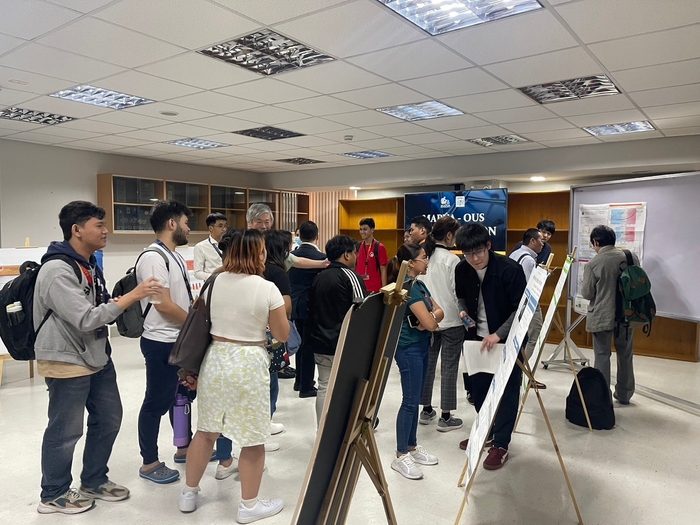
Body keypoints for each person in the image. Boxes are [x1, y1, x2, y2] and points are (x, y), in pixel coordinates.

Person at [35, 201, 161, 514]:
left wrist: (116, 303)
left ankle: (93, 480)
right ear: (76, 230)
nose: (106, 231)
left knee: (109, 418)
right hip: (67, 360)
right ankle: (53, 494)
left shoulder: (87, 264)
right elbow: (86, 318)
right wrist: (134, 295)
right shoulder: (57, 270)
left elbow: (96, 309)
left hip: (96, 356)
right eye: (99, 226)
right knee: (65, 430)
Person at [178, 229, 289, 523]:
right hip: (249, 362)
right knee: (252, 438)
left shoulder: (213, 283)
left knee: (206, 432)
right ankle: (249, 506)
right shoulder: (267, 289)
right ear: (259, 253)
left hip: (215, 358)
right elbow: (282, 334)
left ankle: (189, 493)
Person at [455, 223, 527, 470]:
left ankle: (501, 444)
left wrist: (498, 334)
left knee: (507, 391)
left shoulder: (510, 269)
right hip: (477, 339)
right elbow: (461, 295)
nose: (474, 259)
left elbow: (521, 310)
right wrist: (462, 310)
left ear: (488, 246)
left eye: (478, 252)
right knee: (480, 389)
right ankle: (486, 430)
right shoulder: (462, 269)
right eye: (468, 254)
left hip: (507, 340)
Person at [136, 200, 197, 484]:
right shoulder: (153, 257)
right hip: (161, 341)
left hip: (178, 339)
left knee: (181, 397)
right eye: (185, 222)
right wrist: (195, 327)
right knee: (156, 402)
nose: (188, 228)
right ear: (172, 224)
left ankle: (184, 448)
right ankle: (149, 462)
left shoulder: (174, 256)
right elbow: (163, 305)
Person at [246, 204, 327, 382]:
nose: (264, 225)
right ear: (249, 223)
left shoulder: (271, 248)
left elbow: (295, 260)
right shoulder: (243, 242)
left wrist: (323, 264)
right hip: (247, 315)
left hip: (267, 317)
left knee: (269, 372)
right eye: (259, 221)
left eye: (267, 221)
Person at [387, 243, 444, 480]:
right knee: (410, 401)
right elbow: (431, 323)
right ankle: (401, 454)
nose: (427, 262)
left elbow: (440, 312)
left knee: (416, 398)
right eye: (423, 258)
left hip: (421, 345)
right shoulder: (406, 288)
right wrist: (429, 319)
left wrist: (429, 318)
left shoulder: (419, 284)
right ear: (410, 263)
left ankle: (411, 446)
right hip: (408, 348)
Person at [307, 235, 368, 425]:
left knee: (324, 386)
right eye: (355, 253)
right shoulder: (351, 276)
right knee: (349, 388)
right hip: (345, 344)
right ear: (346, 255)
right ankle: (346, 430)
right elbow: (362, 311)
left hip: (320, 342)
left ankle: (322, 432)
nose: (356, 257)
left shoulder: (319, 277)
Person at [581, 225, 639, 405]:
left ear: (596, 242)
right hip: (627, 314)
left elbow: (587, 293)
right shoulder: (630, 257)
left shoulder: (594, 263)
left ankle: (602, 396)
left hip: (602, 315)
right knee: (625, 354)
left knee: (602, 355)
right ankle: (625, 394)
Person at [418, 216, 464, 432]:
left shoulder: (424, 257)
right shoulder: (452, 260)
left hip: (429, 320)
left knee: (428, 365)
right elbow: (457, 293)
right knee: (449, 368)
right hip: (452, 321)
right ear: (449, 235)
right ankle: (446, 416)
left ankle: (426, 410)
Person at [289, 221, 326, 398]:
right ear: (317, 236)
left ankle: (299, 381)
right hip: (311, 305)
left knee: (299, 343)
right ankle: (306, 386)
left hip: (294, 304)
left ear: (300, 235)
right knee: (309, 346)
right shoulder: (322, 258)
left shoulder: (291, 256)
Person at [263, 229, 294, 438]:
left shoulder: (254, 271)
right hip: (270, 333)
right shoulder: (278, 273)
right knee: (271, 380)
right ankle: (266, 424)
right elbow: (286, 306)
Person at [509, 228, 547, 389]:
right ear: (532, 241)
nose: (543, 244)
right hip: (527, 306)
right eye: (541, 241)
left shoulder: (515, 254)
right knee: (533, 338)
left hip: (514, 306)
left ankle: (517, 372)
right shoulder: (528, 260)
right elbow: (528, 287)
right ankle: (522, 373)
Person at [356, 217, 388, 293]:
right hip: (360, 287)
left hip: (375, 288)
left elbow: (383, 270)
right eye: (360, 229)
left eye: (365, 229)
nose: (362, 232)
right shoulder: (357, 246)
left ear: (372, 230)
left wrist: (384, 290)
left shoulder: (379, 247)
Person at [193, 212, 227, 281]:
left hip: (230, 282)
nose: (224, 229)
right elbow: (197, 273)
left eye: (225, 226)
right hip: (213, 283)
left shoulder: (230, 244)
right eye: (220, 226)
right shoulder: (201, 246)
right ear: (211, 228)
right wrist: (214, 276)